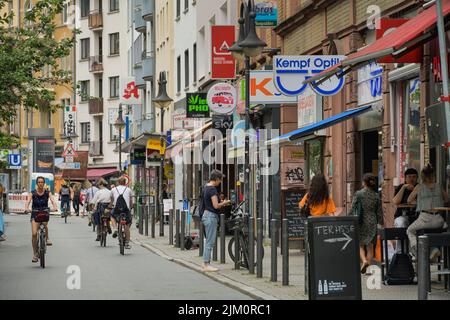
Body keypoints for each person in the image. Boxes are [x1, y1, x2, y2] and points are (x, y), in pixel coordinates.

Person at [407, 165, 448, 261]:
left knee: (410, 230)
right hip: (439, 220)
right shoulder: (438, 186)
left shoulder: (419, 187)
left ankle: (427, 251)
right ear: (433, 175)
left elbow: (409, 200)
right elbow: (446, 199)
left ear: (422, 176)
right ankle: (433, 250)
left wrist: (420, 202)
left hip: (425, 219)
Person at [351, 173, 384, 274]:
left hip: (361, 221)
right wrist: (381, 223)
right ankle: (369, 270)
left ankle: (364, 261)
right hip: (372, 222)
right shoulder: (376, 196)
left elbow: (353, 208)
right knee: (370, 246)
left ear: (364, 182)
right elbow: (379, 212)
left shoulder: (359, 194)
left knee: (360, 245)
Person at [201, 170, 231, 272]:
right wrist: (225, 202)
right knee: (210, 241)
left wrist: (220, 202)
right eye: (220, 179)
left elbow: (209, 202)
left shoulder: (206, 187)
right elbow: (215, 205)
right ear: (216, 179)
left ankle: (206, 262)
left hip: (206, 215)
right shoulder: (212, 189)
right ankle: (206, 264)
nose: (220, 182)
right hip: (210, 216)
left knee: (208, 240)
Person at [24, 176, 58, 263]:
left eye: (42, 182)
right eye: (39, 182)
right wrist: (26, 208)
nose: (40, 184)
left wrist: (55, 207)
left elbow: (53, 200)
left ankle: (47, 239)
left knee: (45, 224)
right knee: (34, 234)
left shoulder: (47, 192)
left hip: (44, 212)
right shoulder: (33, 193)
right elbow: (28, 201)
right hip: (35, 213)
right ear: (36, 183)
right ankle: (35, 253)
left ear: (44, 183)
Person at [391, 168, 418, 254]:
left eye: (414, 177)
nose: (411, 179)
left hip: (417, 216)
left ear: (417, 178)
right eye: (409, 177)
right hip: (401, 215)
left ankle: (415, 251)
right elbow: (395, 201)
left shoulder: (419, 187)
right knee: (401, 223)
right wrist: (403, 188)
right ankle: (401, 251)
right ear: (405, 178)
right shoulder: (400, 187)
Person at [110, 177, 133, 249]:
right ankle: (127, 243)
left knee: (112, 216)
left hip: (117, 209)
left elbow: (112, 199)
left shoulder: (114, 189)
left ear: (118, 182)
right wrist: (131, 207)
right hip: (126, 210)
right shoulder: (128, 189)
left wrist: (111, 205)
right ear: (125, 182)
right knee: (127, 224)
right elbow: (131, 201)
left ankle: (115, 229)